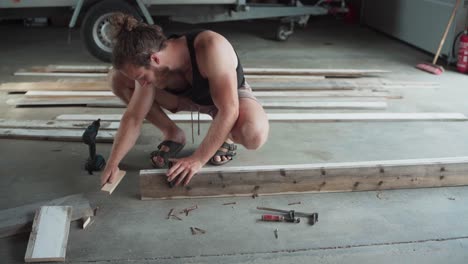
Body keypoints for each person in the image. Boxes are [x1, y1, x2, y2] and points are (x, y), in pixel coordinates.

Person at [100, 13, 269, 187]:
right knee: (116, 78)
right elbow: (134, 117)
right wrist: (113, 162)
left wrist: (197, 159)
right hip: (186, 97)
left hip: (226, 98)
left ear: (155, 58)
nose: (141, 83)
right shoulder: (153, 66)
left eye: (141, 77)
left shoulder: (211, 47)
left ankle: (227, 136)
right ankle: (173, 133)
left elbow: (229, 110)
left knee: (253, 134)